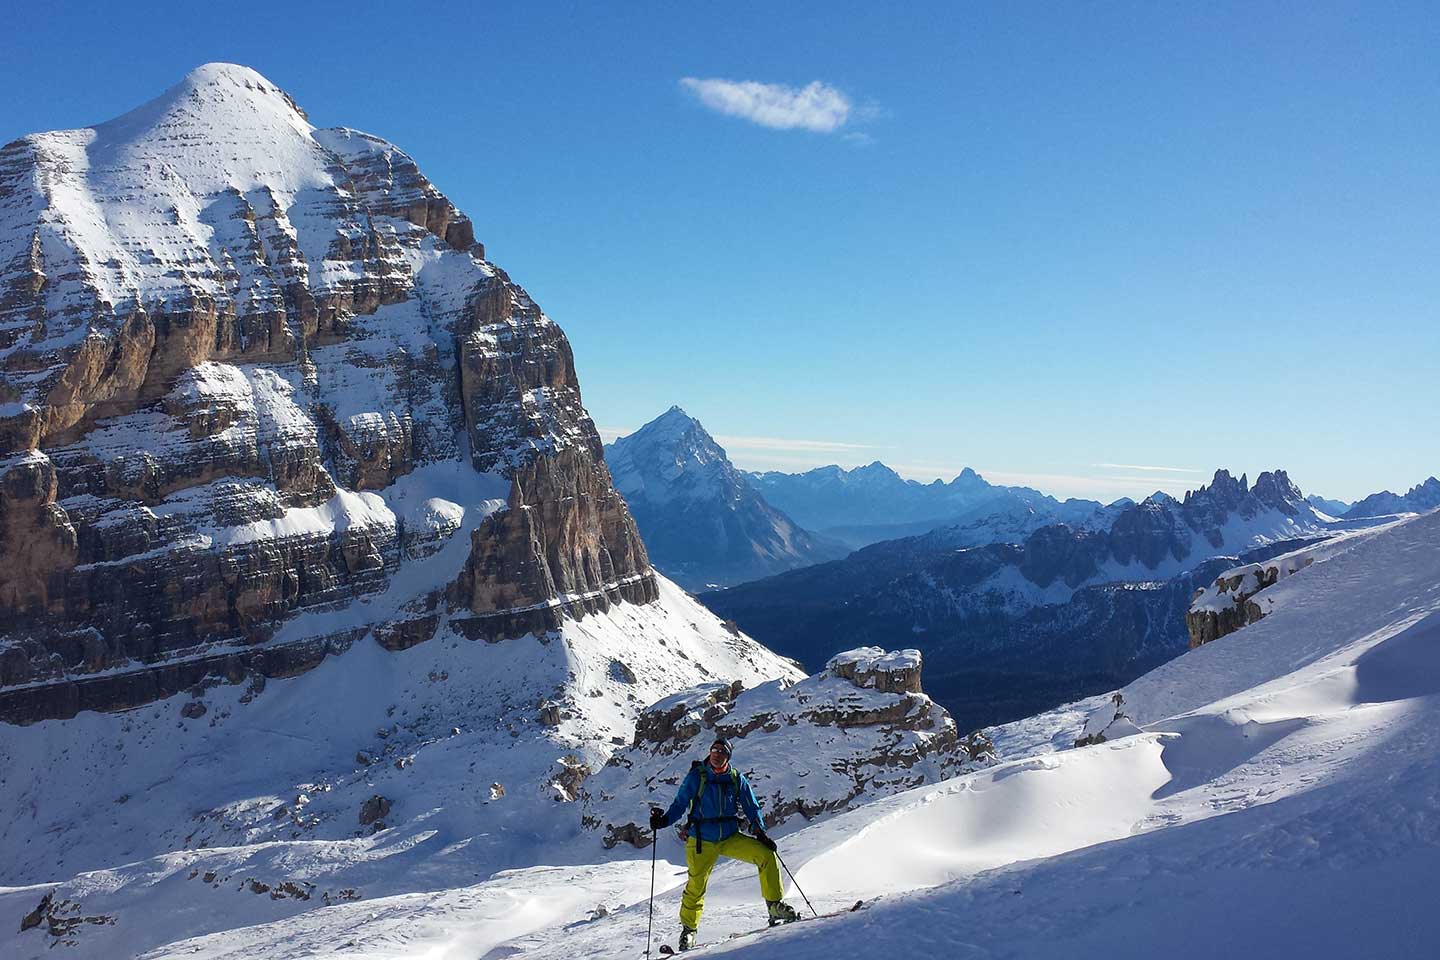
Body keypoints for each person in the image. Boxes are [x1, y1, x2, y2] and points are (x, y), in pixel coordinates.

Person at [649, 737, 800, 950]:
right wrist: (664, 821)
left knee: (766, 855)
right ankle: (689, 930)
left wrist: (760, 832)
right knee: (696, 884)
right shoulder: (697, 776)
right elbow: (680, 803)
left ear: (728, 756)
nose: (716, 754)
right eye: (714, 750)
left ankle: (775, 906)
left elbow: (751, 806)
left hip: (730, 837)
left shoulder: (736, 778)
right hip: (701, 839)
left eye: (721, 751)